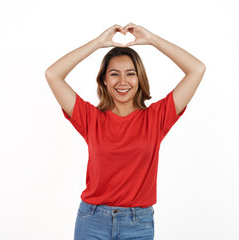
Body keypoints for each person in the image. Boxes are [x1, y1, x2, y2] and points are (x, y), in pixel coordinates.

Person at [45, 23, 205, 240]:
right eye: (114, 74)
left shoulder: (156, 118)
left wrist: (152, 39)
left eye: (130, 74)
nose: (122, 82)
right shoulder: (90, 118)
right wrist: (97, 44)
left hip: (138, 223)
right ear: (104, 79)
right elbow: (53, 74)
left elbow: (197, 69)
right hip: (92, 219)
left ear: (139, 79)